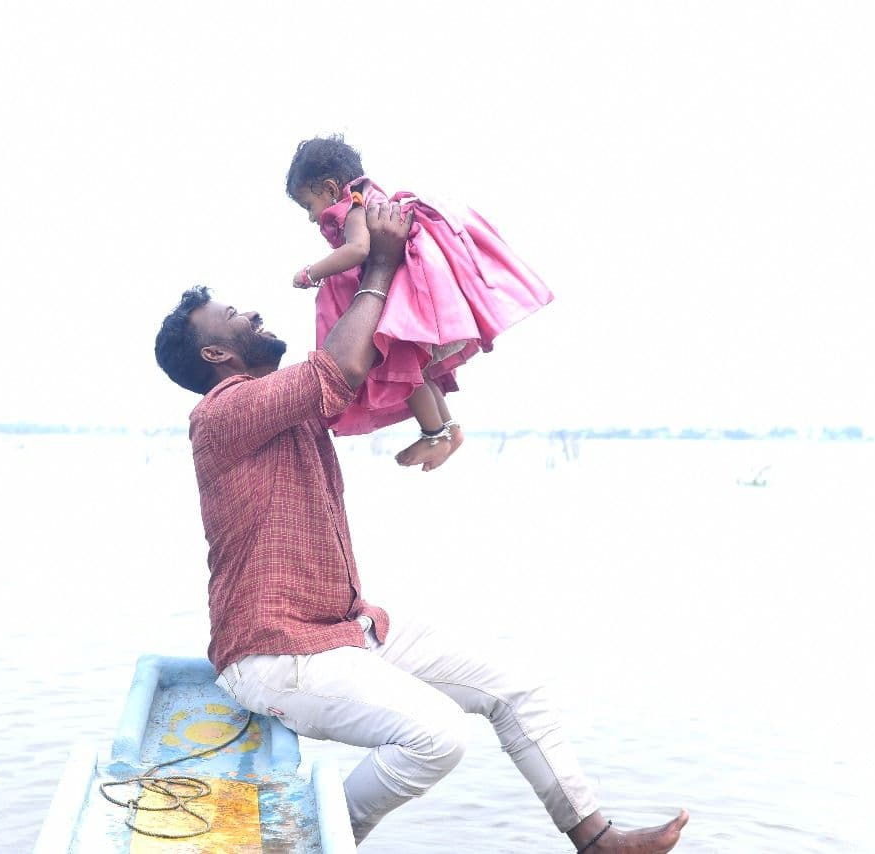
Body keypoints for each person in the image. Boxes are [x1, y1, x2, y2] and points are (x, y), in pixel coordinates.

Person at [153, 203, 687, 851]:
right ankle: (310, 842)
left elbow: (375, 362)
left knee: (515, 687)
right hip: (275, 652)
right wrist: (377, 260)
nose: (254, 315)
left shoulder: (284, 406)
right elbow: (339, 369)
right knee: (435, 736)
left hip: (345, 628)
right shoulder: (222, 412)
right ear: (214, 353)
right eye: (235, 317)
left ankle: (596, 839)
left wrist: (405, 276)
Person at [286, 135, 555, 471]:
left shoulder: (355, 207)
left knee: (401, 371)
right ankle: (448, 430)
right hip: (412, 303)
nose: (312, 218)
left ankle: (435, 433)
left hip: (395, 308)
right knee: (417, 371)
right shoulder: (372, 197)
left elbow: (357, 250)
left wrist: (311, 274)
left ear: (329, 187)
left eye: (308, 205)